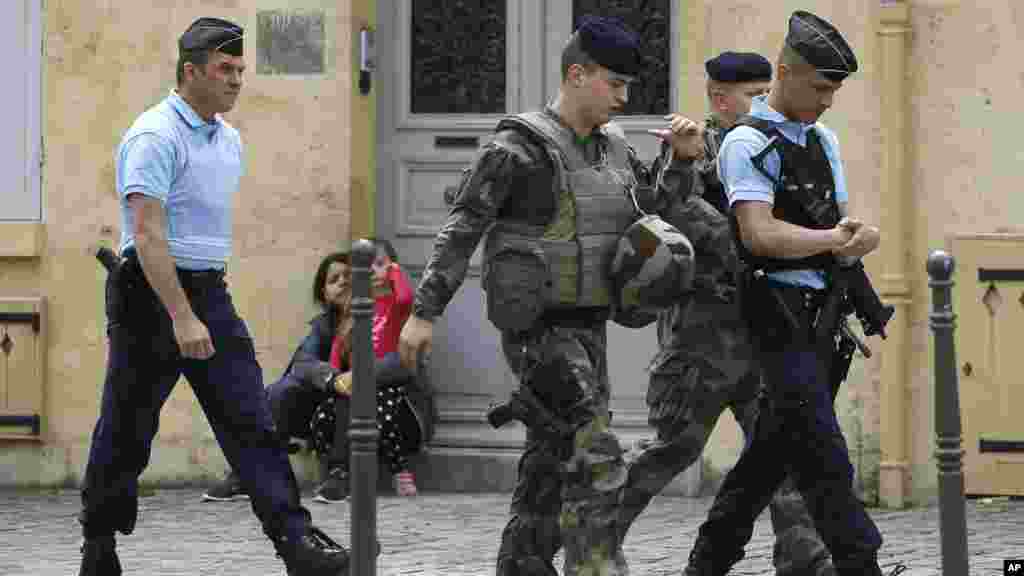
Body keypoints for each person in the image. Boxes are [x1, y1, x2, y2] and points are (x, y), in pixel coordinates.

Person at [398, 15, 700, 576]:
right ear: (577, 74)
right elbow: (462, 228)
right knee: (597, 459)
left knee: (549, 462)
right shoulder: (518, 148)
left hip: (591, 325)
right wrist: (424, 311)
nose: (623, 96)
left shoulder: (611, 148)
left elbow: (654, 209)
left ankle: (522, 565)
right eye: (614, 83)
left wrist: (681, 161)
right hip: (540, 331)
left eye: (628, 86)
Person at [77, 17, 348, 576]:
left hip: (207, 290)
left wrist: (200, 308)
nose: (236, 80)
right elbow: (148, 235)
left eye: (241, 69)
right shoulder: (154, 135)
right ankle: (98, 544)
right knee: (127, 429)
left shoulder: (228, 140)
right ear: (190, 71)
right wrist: (180, 316)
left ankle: (297, 545)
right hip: (148, 293)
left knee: (253, 419)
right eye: (225, 69)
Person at [680, 11, 900, 576]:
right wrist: (836, 240)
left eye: (835, 89)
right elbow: (760, 233)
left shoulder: (821, 140)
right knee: (825, 455)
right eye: (821, 88)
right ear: (786, 72)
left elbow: (829, 222)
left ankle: (706, 563)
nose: (829, 101)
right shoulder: (745, 142)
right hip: (775, 316)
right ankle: (860, 564)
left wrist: (855, 238)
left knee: (768, 456)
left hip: (823, 316)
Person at [617, 52, 836, 575]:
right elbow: (664, 222)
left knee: (783, 452)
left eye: (768, 92)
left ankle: (804, 558)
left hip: (765, 332)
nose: (766, 102)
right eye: (754, 95)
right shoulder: (690, 149)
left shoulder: (775, 148)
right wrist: (686, 163)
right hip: (703, 339)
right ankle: (593, 535)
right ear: (720, 99)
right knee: (672, 450)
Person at [202, 242, 425, 504]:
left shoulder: (390, 314)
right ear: (324, 294)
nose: (342, 282)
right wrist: (333, 378)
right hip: (329, 408)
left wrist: (356, 376)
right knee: (283, 390)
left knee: (349, 392)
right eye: (333, 280)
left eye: (348, 276)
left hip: (393, 413)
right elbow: (303, 363)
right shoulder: (325, 326)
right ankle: (248, 474)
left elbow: (403, 362)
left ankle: (341, 475)